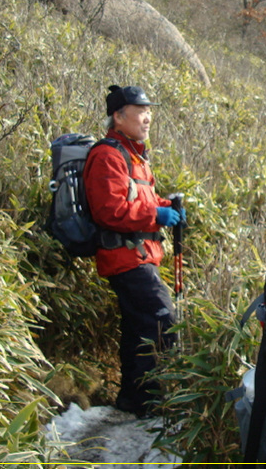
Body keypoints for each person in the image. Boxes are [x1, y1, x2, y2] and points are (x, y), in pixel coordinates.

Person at [83, 85, 184, 416]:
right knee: (162, 320)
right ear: (118, 116)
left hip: (140, 256)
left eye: (149, 110)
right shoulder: (107, 156)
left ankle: (132, 399)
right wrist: (156, 215)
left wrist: (166, 206)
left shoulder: (135, 156)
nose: (147, 116)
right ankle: (146, 401)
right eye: (140, 110)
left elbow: (143, 201)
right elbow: (108, 210)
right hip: (124, 258)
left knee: (139, 328)